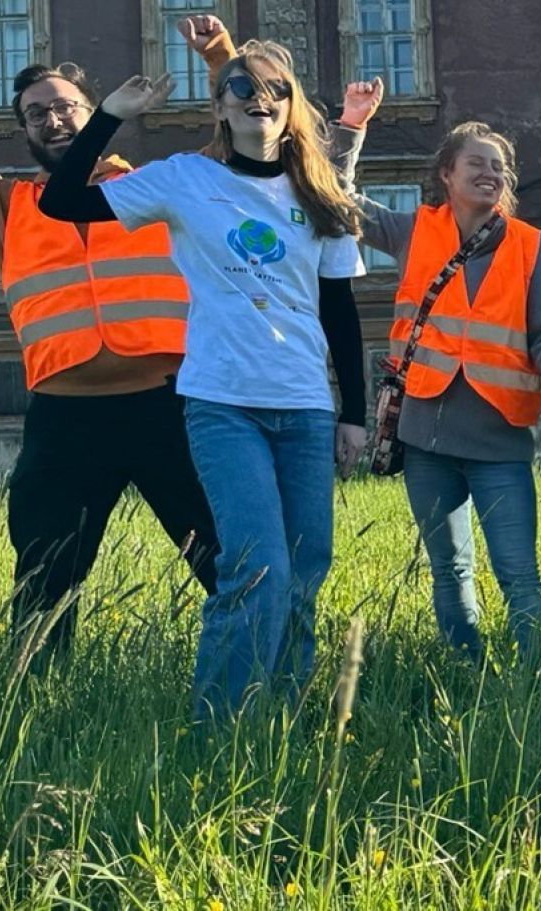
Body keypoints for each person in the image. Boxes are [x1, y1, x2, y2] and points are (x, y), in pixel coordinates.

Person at [39, 41, 368, 722]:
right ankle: (220, 725)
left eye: (273, 88)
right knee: (255, 567)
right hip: (224, 404)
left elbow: (339, 309)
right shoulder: (186, 179)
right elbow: (61, 201)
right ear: (221, 105)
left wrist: (353, 412)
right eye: (242, 85)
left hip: (304, 406)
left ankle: (282, 720)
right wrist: (108, 116)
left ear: (290, 105)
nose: (258, 97)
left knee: (304, 575)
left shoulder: (320, 194)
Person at [0, 19, 234, 656]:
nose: (52, 120)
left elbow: (241, 138)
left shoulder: (155, 187)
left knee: (222, 553)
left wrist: (220, 58)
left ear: (93, 110)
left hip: (168, 403)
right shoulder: (2, 204)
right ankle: (33, 696)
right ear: (22, 130)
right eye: (35, 113)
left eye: (65, 107)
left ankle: (258, 671)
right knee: (45, 574)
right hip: (65, 416)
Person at [347, 98, 541, 661]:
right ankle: (464, 668)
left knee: (519, 574)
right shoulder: (413, 232)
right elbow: (335, 197)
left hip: (498, 438)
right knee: (449, 570)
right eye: (475, 162)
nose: (488, 173)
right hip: (424, 436)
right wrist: (351, 127)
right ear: (446, 175)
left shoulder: (532, 247)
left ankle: (537, 679)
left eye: (498, 166)